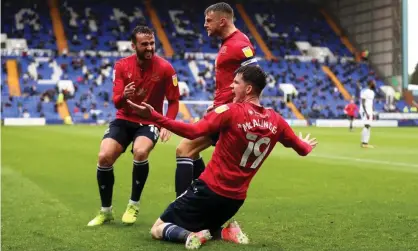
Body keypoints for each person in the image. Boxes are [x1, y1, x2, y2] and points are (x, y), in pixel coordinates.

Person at [128, 65, 318, 249]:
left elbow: (193, 132)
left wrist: (155, 117)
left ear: (248, 88)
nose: (231, 86)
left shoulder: (231, 111)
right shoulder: (277, 120)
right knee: (203, 222)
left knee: (157, 228)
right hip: (234, 201)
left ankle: (191, 236)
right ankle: (226, 231)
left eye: (236, 83)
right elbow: (302, 149)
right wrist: (306, 144)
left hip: (208, 191)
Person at [87, 26, 180, 226]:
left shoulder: (166, 68)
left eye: (152, 43)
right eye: (144, 44)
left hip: (150, 121)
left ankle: (133, 205)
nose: (149, 48)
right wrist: (124, 96)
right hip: (124, 118)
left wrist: (167, 124)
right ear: (133, 45)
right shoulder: (121, 66)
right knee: (104, 157)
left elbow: (173, 101)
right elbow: (116, 102)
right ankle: (106, 211)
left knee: (140, 151)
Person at [175, 2, 258, 197]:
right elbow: (230, 81)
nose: (205, 24)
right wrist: (216, 104)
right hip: (223, 110)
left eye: (208, 20)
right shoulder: (230, 42)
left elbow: (255, 80)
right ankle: (205, 206)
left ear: (223, 21)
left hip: (228, 115)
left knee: (184, 149)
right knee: (195, 154)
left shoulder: (240, 45)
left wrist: (231, 108)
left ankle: (181, 211)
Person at [360, 80, 375, 148]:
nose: (374, 84)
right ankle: (363, 143)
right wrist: (366, 112)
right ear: (370, 84)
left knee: (368, 126)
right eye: (373, 83)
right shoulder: (365, 92)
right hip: (365, 110)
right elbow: (363, 103)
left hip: (369, 110)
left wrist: (372, 112)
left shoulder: (372, 92)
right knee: (367, 125)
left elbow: (371, 103)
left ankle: (365, 143)